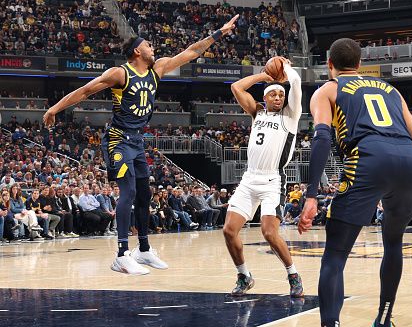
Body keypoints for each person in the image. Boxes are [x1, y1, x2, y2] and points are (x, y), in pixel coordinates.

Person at [43, 15, 239, 275]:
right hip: (117, 139)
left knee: (145, 194)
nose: (153, 48)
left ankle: (143, 249)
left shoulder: (157, 70)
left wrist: (219, 33)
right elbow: (85, 91)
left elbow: (191, 52)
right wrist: (54, 109)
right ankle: (122, 254)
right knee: (129, 192)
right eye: (148, 45)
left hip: (137, 140)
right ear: (137, 50)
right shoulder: (119, 73)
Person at [296, 38, 412, 327]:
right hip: (411, 162)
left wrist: (311, 195)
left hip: (368, 160)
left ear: (330, 64)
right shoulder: (390, 90)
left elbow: (323, 137)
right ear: (361, 62)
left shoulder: (328, 89)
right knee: (393, 242)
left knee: (335, 256)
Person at [223, 56, 304, 298]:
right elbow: (236, 87)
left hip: (273, 181)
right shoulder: (257, 113)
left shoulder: (291, 116)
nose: (279, 98)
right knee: (228, 231)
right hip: (249, 179)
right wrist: (264, 76)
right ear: (265, 98)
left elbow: (296, 84)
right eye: (273, 94)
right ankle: (244, 275)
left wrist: (286, 69)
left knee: (269, 232)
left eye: (281, 94)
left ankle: (293, 274)